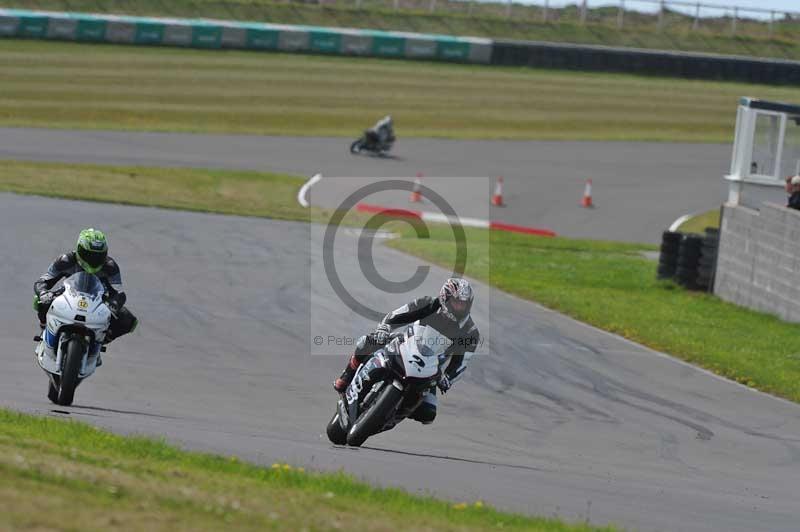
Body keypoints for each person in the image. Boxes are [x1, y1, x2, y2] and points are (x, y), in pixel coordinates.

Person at [333, 278, 480, 424]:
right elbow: (398, 314)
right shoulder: (429, 303)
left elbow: (461, 362)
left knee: (428, 413)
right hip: (406, 344)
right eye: (457, 302)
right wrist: (385, 327)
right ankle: (347, 376)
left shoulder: (470, 332)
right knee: (367, 342)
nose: (460, 307)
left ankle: (390, 417)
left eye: (463, 304)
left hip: (431, 369)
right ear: (445, 298)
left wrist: (448, 378)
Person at [33, 229, 138, 347]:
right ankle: (44, 328)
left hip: (98, 300)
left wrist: (113, 305)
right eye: (89, 254)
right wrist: (43, 293)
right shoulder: (65, 260)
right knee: (39, 301)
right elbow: (43, 281)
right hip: (68, 294)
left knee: (129, 320)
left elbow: (119, 293)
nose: (93, 260)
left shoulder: (110, 266)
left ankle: (102, 340)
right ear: (79, 250)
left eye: (98, 256)